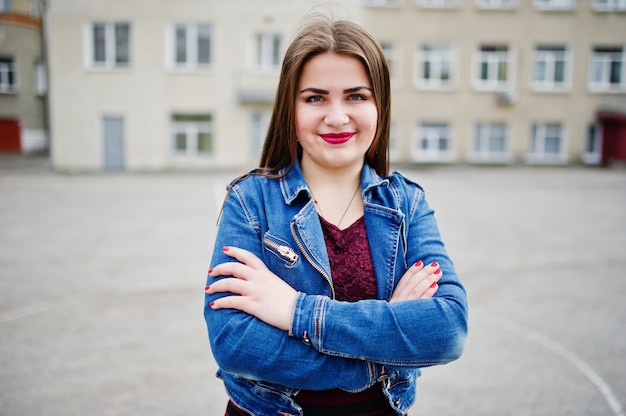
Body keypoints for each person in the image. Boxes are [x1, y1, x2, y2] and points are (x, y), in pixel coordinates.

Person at [204, 15, 468, 416]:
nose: (338, 116)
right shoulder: (250, 201)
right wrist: (377, 359)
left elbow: (446, 329)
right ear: (289, 110)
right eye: (315, 98)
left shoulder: (407, 203)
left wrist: (295, 311)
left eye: (356, 96)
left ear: (380, 105)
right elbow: (235, 343)